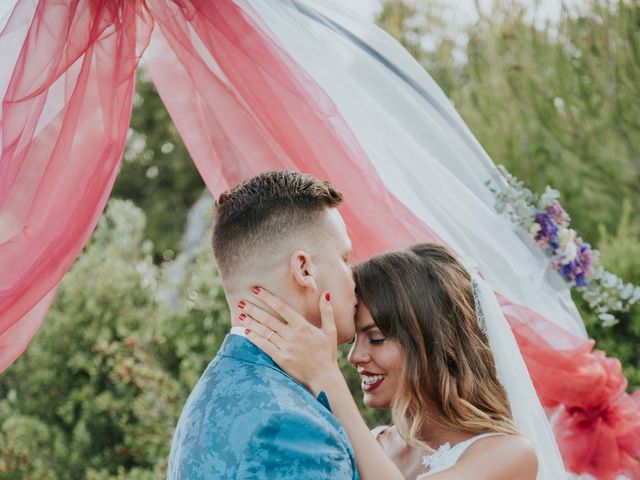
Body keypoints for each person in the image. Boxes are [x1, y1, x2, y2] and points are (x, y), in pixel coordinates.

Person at [240, 243, 540, 479]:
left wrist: (326, 377)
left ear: (437, 341)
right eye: (354, 339)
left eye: (377, 338)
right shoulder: (367, 444)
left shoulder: (508, 455)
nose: (354, 356)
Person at [167, 171, 360, 479]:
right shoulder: (289, 427)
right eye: (345, 259)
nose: (355, 279)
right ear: (304, 269)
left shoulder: (207, 400)